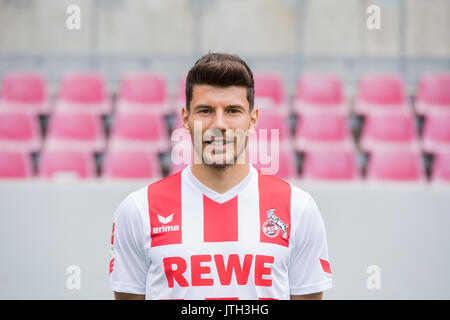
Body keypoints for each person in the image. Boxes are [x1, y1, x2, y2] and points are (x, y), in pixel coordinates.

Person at [108, 53, 332, 300]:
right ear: (186, 119)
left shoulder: (298, 208)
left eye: (233, 111)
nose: (219, 124)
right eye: (205, 111)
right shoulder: (139, 209)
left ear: (253, 119)